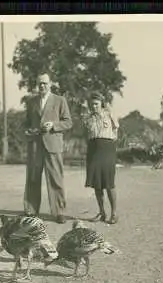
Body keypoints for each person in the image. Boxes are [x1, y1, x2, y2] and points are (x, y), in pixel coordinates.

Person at [23, 73, 73, 224]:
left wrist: (54, 125)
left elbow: (68, 122)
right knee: (32, 178)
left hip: (53, 145)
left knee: (56, 179)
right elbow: (26, 123)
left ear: (50, 84)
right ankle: (31, 211)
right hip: (35, 146)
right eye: (39, 84)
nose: (42, 86)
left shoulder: (59, 100)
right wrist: (28, 131)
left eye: (45, 83)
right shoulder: (31, 102)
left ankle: (59, 211)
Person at [81, 92, 120, 224]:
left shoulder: (109, 114)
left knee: (109, 182)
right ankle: (102, 212)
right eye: (91, 104)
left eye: (96, 104)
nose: (94, 107)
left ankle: (114, 213)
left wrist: (110, 144)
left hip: (107, 149)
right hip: (93, 149)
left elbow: (116, 131)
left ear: (101, 104)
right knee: (97, 184)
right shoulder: (88, 118)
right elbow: (86, 135)